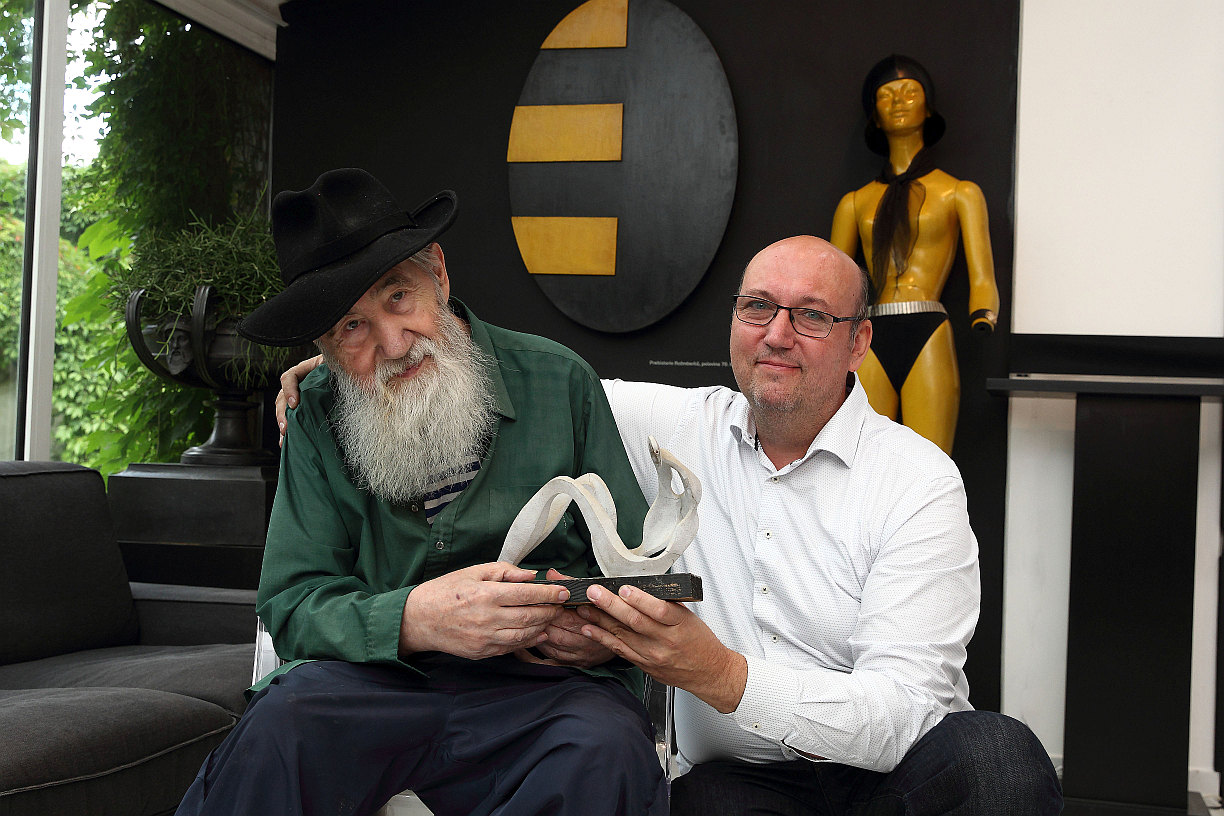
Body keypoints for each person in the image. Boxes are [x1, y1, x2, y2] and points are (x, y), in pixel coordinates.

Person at [278, 235, 1062, 814]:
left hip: (897, 781)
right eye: (757, 307)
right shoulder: (672, 422)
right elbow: (518, 383)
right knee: (700, 805)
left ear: (860, 341)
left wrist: (723, 676)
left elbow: (906, 711)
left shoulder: (918, 479)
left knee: (999, 757)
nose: (777, 333)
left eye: (812, 316)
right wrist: (370, 366)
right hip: (739, 790)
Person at [175, 167, 667, 816]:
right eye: (351, 327)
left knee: (606, 748)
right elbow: (292, 604)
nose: (392, 343)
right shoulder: (316, 411)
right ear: (323, 344)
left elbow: (642, 575)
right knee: (278, 729)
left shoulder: (561, 382)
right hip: (373, 683)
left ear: (438, 272)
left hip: (541, 694)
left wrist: (598, 634)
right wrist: (415, 618)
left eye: (399, 297)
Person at [830, 55, 1001, 455]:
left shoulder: (960, 193)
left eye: (910, 92)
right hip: (871, 333)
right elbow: (831, 282)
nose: (899, 101)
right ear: (874, 116)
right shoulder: (855, 203)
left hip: (928, 327)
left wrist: (984, 311)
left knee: (932, 462)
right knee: (861, 460)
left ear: (928, 107)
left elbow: (983, 275)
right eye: (886, 95)